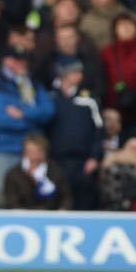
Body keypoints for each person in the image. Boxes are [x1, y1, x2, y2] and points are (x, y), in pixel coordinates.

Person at [0, 47, 55, 188]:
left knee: (32, 198)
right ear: (5, 61)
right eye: (14, 59)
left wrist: (24, 114)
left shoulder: (33, 85)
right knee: (1, 196)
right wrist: (35, 122)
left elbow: (48, 111)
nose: (19, 63)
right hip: (3, 150)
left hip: (33, 153)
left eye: (22, 60)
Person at [49, 58, 106, 210]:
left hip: (82, 161)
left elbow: (99, 130)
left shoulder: (89, 99)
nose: (79, 76)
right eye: (75, 72)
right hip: (56, 160)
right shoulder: (50, 97)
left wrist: (94, 156)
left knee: (84, 199)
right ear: (64, 74)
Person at [3, 134, 73, 210]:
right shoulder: (13, 174)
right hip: (23, 218)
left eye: (38, 152)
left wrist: (63, 210)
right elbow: (12, 203)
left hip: (51, 216)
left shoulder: (56, 172)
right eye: (30, 152)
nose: (34, 156)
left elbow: (66, 198)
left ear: (45, 153)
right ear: (24, 153)